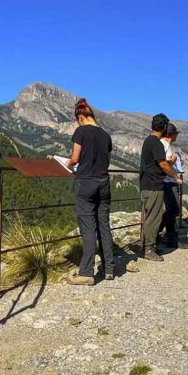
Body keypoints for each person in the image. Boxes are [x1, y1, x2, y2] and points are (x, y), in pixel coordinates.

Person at [65, 99, 116, 285]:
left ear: (80, 118)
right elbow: (107, 161)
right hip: (103, 183)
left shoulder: (81, 132)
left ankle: (86, 272)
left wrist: (67, 164)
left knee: (88, 228)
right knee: (104, 224)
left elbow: (75, 157)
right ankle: (109, 268)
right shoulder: (106, 136)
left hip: (85, 183)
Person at [139, 114, 178, 261]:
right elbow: (162, 163)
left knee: (150, 216)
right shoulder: (156, 143)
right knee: (154, 218)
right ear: (163, 127)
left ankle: (147, 246)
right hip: (153, 185)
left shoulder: (148, 141)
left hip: (147, 184)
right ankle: (149, 249)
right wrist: (174, 175)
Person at [159, 123, 185, 249]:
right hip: (168, 181)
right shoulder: (164, 145)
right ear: (172, 134)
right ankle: (157, 231)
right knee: (173, 209)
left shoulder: (166, 145)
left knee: (171, 209)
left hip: (168, 181)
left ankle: (170, 237)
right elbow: (164, 163)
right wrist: (174, 161)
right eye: (176, 133)